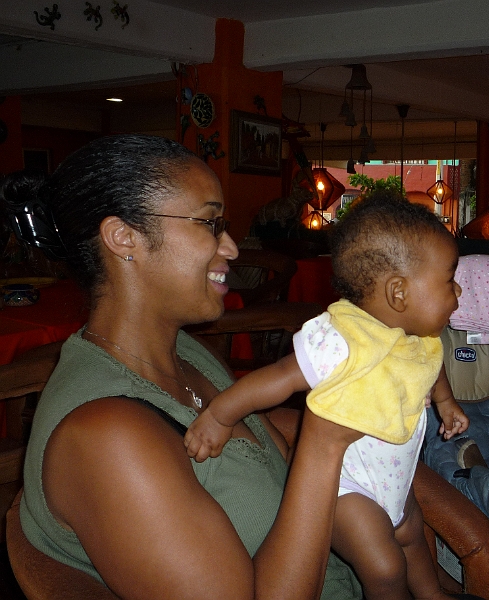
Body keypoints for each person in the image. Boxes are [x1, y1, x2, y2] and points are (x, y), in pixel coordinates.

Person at [2, 134, 364, 599]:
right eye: (210, 223)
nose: (231, 248)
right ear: (123, 238)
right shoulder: (107, 437)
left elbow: (259, 437)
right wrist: (325, 440)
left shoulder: (181, 350)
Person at [184, 191, 470, 600]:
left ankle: (432, 595)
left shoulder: (419, 338)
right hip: (346, 485)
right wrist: (220, 416)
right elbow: (279, 378)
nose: (458, 290)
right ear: (399, 294)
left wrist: (445, 401)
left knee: (413, 534)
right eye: (449, 279)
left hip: (393, 476)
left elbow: (428, 368)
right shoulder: (343, 340)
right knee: (385, 565)